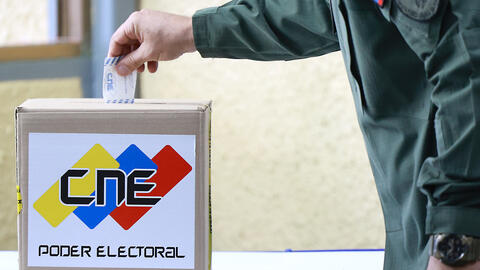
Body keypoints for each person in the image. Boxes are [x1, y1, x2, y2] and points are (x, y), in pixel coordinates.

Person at [107, 1, 480, 269]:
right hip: (424, 226)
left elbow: (469, 70)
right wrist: (192, 32)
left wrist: (459, 241)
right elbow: (327, 11)